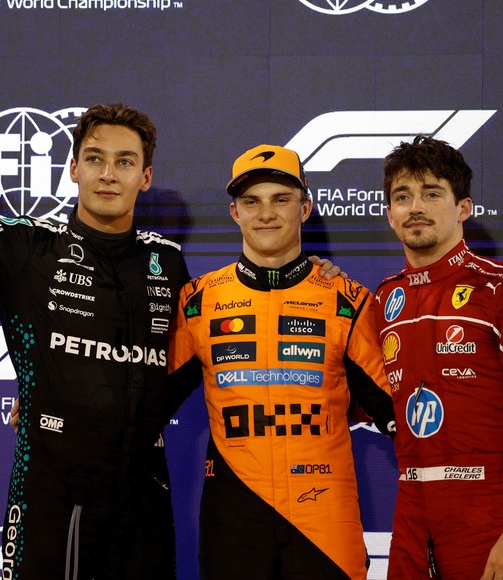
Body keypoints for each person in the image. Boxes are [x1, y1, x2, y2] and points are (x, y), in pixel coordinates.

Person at [0, 16, 193, 579]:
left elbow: (191, 360)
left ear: (145, 178)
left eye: (125, 162)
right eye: (95, 158)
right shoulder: (28, 248)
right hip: (53, 488)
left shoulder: (166, 263)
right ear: (72, 168)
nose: (108, 174)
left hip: (144, 489)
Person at [164, 144, 396, 580]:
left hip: (324, 519)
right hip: (234, 519)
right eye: (252, 201)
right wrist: (56, 395)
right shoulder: (198, 302)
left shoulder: (348, 300)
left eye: (281, 199)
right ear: (235, 213)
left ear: (305, 207)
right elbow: (142, 399)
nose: (266, 213)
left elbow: (397, 412)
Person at [372, 135, 503, 580]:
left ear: (463, 208)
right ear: (389, 213)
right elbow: (365, 396)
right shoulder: (385, 299)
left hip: (491, 512)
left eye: (432, 194)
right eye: (402, 197)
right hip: (411, 514)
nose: (415, 207)